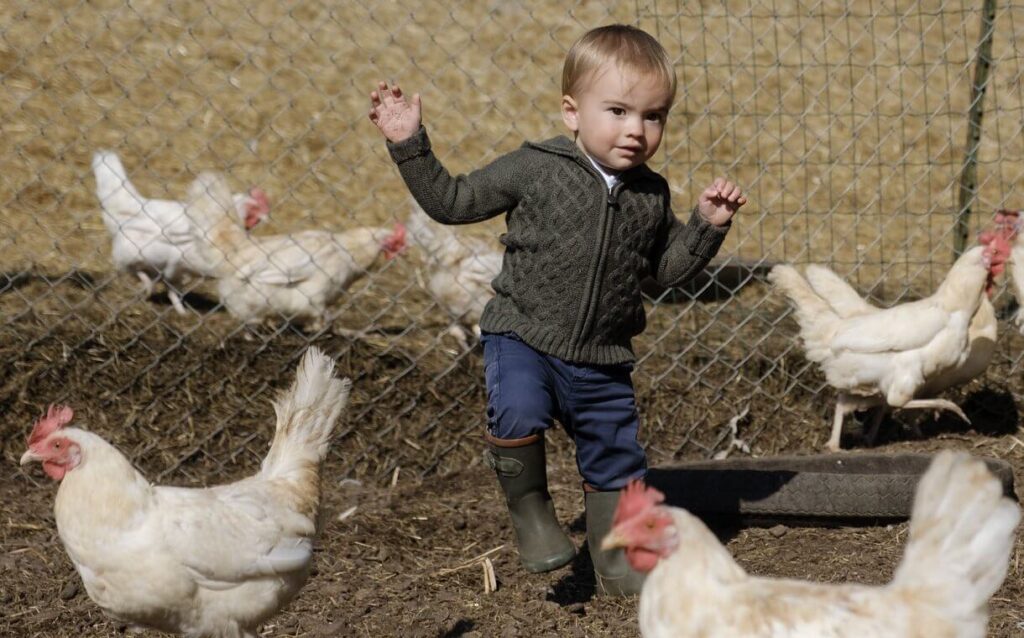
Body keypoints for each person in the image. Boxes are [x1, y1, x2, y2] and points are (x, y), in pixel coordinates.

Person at [369, 24, 746, 596]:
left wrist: (705, 229)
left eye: (653, 116)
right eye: (617, 110)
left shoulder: (650, 194)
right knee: (517, 411)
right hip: (522, 335)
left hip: (602, 357)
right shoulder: (535, 167)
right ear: (572, 111)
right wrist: (409, 143)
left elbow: (665, 272)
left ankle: (616, 557)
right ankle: (532, 512)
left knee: (617, 457)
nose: (635, 130)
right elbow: (452, 201)